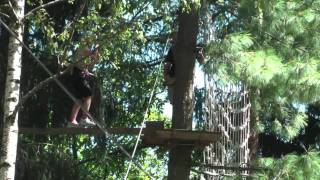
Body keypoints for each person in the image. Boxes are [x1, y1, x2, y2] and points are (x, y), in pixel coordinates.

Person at [163, 32, 205, 104]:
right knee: (176, 102)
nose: (173, 40)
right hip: (173, 80)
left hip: (186, 80)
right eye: (173, 39)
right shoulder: (172, 49)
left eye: (174, 38)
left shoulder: (191, 47)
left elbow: (202, 62)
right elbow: (167, 64)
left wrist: (200, 54)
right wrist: (167, 78)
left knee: (187, 103)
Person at [67, 44, 101, 127]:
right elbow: (91, 54)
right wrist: (97, 52)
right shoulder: (84, 48)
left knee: (79, 98)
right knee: (89, 95)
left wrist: (95, 59)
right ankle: (84, 118)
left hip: (77, 75)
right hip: (78, 75)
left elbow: (90, 64)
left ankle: (72, 121)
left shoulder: (86, 54)